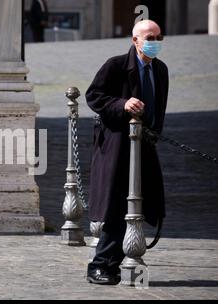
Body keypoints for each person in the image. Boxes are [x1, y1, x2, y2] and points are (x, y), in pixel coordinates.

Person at [85, 20, 169, 285]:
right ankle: (100, 266)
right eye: (149, 37)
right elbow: (94, 96)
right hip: (117, 148)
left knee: (142, 203)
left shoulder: (161, 70)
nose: (154, 41)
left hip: (145, 146)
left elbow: (158, 108)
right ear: (135, 40)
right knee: (116, 206)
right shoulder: (116, 65)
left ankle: (124, 261)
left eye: (158, 37)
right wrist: (122, 104)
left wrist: (154, 132)